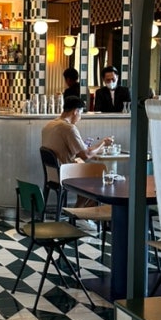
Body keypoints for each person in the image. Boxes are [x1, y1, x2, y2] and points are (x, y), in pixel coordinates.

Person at [41, 97, 114, 232]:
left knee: (91, 173)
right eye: (80, 113)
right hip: (65, 173)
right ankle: (80, 215)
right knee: (100, 178)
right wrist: (103, 143)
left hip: (54, 173)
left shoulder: (49, 125)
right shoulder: (69, 128)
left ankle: (79, 213)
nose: (80, 117)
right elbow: (86, 155)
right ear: (75, 111)